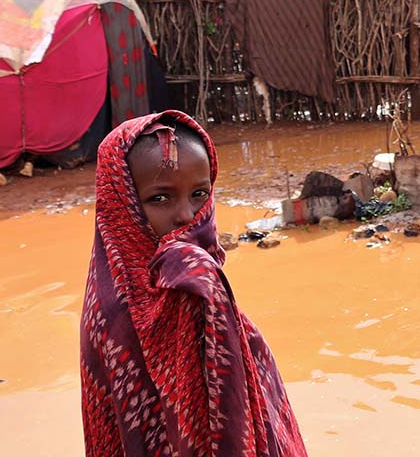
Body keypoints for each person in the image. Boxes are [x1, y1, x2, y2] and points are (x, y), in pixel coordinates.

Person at [80, 111, 307, 456]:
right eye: (160, 198)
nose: (186, 214)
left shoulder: (107, 290)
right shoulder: (181, 287)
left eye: (199, 193)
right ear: (121, 205)